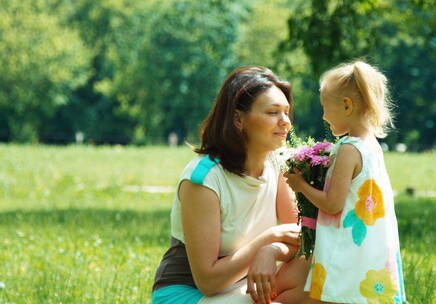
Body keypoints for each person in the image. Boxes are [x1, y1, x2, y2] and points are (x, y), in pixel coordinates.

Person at [152, 66, 309, 304]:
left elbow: (299, 239)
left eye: (286, 112)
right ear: (238, 119)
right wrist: (268, 238)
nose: (285, 122)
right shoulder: (204, 178)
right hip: (191, 293)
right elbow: (208, 281)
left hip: (243, 288)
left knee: (320, 279)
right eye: (272, 112)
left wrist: (272, 250)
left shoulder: (278, 163)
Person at [285, 60, 407, 304]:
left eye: (325, 108)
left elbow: (332, 204)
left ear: (347, 106)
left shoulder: (349, 149)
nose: (323, 116)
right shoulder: (370, 145)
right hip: (369, 252)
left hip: (347, 252)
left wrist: (301, 186)